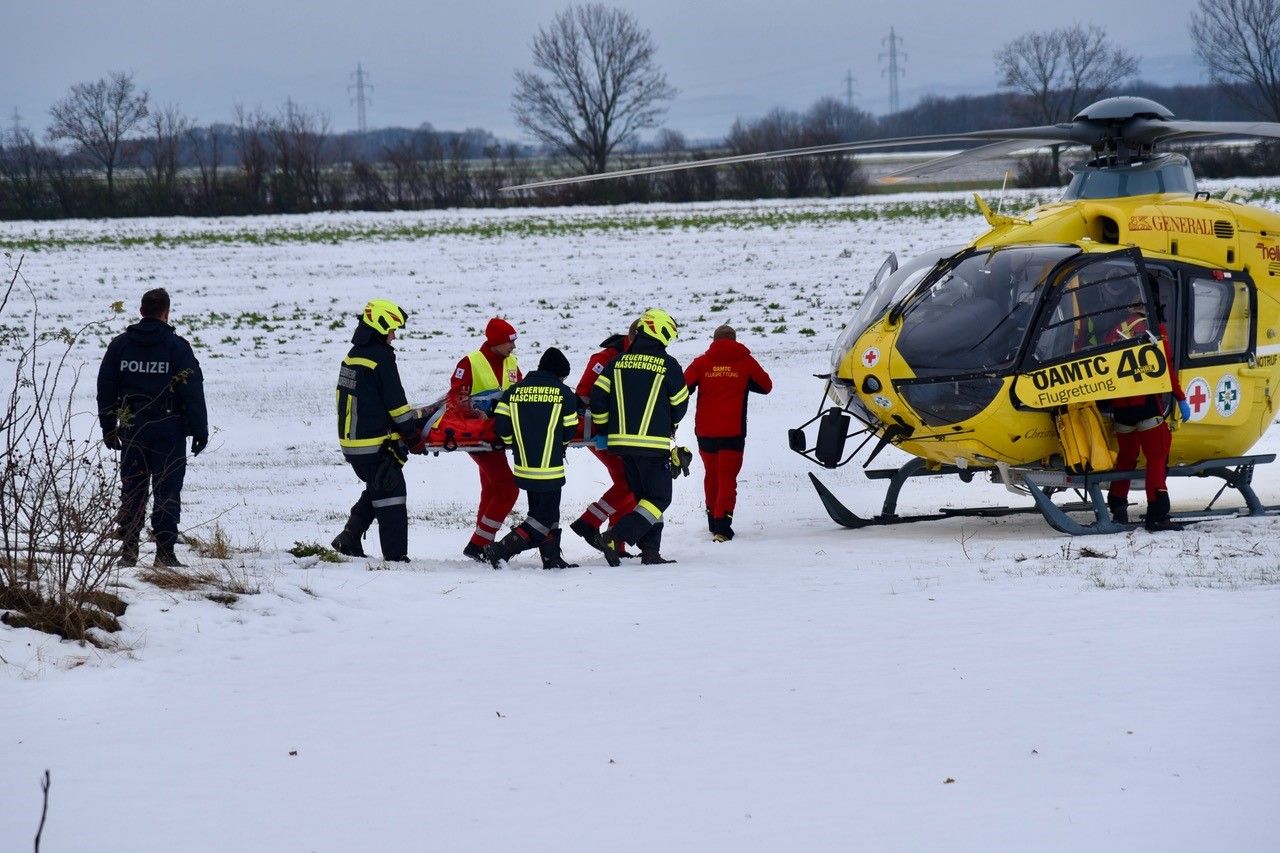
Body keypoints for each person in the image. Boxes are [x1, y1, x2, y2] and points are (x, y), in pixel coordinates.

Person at [97, 287, 208, 568]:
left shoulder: (120, 346)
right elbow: (192, 390)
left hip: (132, 427)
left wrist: (109, 427)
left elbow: (105, 389)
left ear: (141, 311)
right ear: (166, 313)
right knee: (167, 490)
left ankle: (129, 551)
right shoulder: (177, 347)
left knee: (132, 489)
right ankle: (165, 553)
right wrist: (200, 429)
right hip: (169, 428)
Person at [590, 308, 689, 565]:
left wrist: (605, 428)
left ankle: (650, 552)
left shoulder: (617, 362)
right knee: (659, 498)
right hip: (653, 444)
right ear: (661, 332)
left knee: (646, 501)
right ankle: (615, 536)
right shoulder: (668, 364)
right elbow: (680, 403)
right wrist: (670, 422)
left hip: (621, 446)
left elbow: (598, 398)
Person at [332, 299, 425, 562]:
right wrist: (413, 436)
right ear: (380, 326)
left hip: (354, 443)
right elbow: (396, 405)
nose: (394, 336)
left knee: (378, 487)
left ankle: (348, 538)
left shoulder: (353, 355)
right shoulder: (380, 358)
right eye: (392, 330)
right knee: (392, 495)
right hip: (374, 444)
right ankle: (396, 558)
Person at [484, 348, 580, 569]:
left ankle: (551, 558)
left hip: (524, 465)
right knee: (542, 519)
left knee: (545, 513)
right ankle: (500, 549)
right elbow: (569, 429)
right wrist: (560, 446)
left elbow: (502, 425)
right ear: (559, 374)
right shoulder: (564, 393)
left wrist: (515, 443)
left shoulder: (514, 391)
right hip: (550, 466)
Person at [1103, 305, 1190, 532]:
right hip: (1146, 406)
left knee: (1126, 456)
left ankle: (1118, 505)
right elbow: (1165, 367)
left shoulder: (1116, 330)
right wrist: (1180, 397)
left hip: (1121, 408)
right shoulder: (1153, 329)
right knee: (1157, 455)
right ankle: (1157, 514)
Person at [683, 324, 773, 541]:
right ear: (734, 339)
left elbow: (683, 387)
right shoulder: (746, 361)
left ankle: (712, 520)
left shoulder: (701, 362)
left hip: (705, 431)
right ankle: (722, 527)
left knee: (711, 475)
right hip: (733, 432)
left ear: (714, 340)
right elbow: (766, 386)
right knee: (727, 479)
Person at [448, 317, 522, 560]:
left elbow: (520, 392)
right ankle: (478, 544)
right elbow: (456, 398)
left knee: (491, 489)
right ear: (496, 341)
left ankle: (483, 543)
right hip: (478, 438)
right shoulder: (470, 362)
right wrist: (474, 413)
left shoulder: (511, 362)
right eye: (510, 342)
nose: (514, 347)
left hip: (498, 436)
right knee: (508, 489)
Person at [568, 326, 638, 558]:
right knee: (630, 481)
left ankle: (615, 543)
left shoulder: (640, 355)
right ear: (632, 338)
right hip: (601, 432)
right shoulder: (604, 358)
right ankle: (590, 521)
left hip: (627, 432)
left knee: (626, 482)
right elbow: (583, 395)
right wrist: (608, 418)